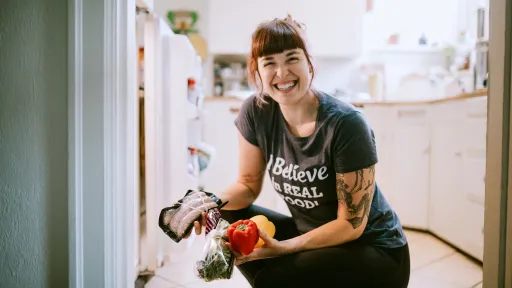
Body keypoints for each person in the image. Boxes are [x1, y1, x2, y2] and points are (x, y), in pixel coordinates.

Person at [186, 14, 410, 288]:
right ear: (257, 71)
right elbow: (246, 186)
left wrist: (285, 247)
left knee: (275, 279)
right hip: (314, 236)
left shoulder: (346, 123)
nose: (282, 74)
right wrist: (206, 201)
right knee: (226, 213)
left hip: (373, 249)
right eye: (270, 63)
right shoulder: (256, 112)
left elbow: (351, 224)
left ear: (309, 62)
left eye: (292, 58)